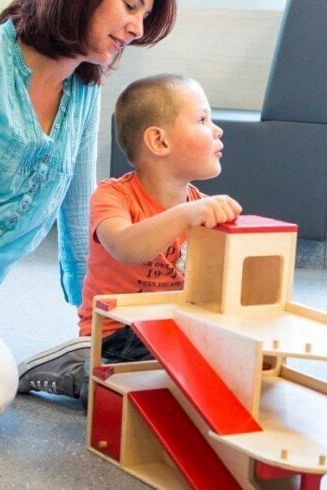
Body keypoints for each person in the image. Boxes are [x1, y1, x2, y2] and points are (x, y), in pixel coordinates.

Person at [0, 0, 176, 414]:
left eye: (144, 15)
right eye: (131, 5)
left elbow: (80, 207)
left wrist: (98, 324)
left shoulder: (84, 90)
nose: (137, 28)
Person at [16, 74, 242, 406]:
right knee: (116, 396)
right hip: (117, 334)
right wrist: (187, 215)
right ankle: (72, 368)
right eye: (203, 119)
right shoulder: (112, 196)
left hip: (172, 331)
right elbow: (125, 246)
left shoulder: (198, 209)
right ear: (159, 141)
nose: (217, 129)